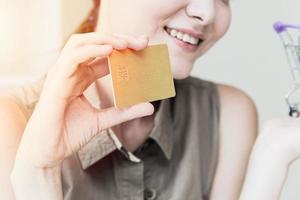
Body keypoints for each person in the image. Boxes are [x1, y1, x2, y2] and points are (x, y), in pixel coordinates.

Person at [1, 0, 296, 199]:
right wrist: (39, 173)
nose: (206, 11)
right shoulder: (11, 120)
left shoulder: (226, 114)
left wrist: (271, 156)